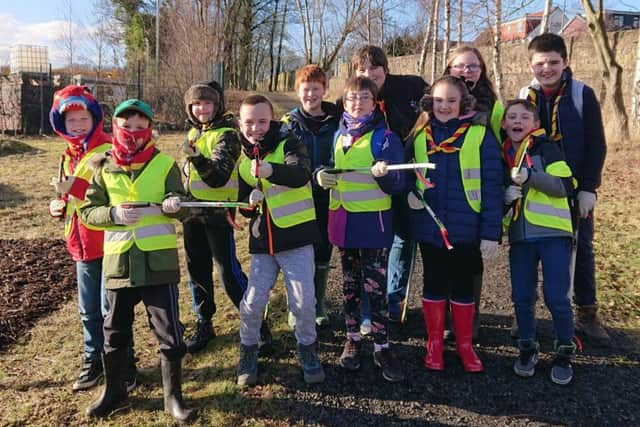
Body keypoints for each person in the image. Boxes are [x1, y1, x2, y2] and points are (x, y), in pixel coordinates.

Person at [80, 99, 194, 422]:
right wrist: (114, 213)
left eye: (140, 126)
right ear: (116, 128)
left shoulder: (164, 165)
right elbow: (88, 212)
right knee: (114, 332)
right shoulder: (102, 168)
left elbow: (185, 205)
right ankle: (114, 392)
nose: (133, 132)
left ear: (150, 129)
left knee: (169, 332)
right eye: (126, 126)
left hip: (158, 264)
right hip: (119, 267)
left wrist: (176, 203)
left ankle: (173, 398)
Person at [404, 75, 503, 373]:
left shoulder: (479, 135)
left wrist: (490, 233)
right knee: (433, 282)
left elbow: (493, 184)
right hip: (430, 227)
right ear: (428, 103)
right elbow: (405, 173)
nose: (444, 106)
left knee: (462, 287)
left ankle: (464, 344)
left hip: (467, 228)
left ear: (463, 103)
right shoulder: (420, 136)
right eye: (438, 101)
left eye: (451, 101)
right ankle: (434, 342)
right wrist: (410, 193)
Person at [519, 33, 609, 346]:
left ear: (565, 62)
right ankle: (526, 316)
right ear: (530, 64)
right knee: (529, 250)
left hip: (573, 189)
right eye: (539, 63)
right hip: (535, 187)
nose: (546, 69)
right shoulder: (525, 94)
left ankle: (586, 311)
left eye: (553, 62)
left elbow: (597, 144)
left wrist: (589, 188)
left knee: (581, 247)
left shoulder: (582, 94)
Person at [316, 76, 405, 382]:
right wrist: (320, 175)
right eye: (352, 98)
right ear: (344, 102)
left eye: (364, 98)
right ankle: (352, 339)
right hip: (343, 224)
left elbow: (398, 184)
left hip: (373, 227)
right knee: (350, 287)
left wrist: (384, 175)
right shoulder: (339, 134)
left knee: (375, 291)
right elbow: (330, 165)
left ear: (375, 102)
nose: (357, 103)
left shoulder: (385, 138)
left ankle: (382, 345)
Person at [48, 85, 136, 392]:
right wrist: (57, 207)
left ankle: (123, 362)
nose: (78, 125)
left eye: (83, 118)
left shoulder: (109, 149)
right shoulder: (67, 155)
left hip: (109, 241)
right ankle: (93, 359)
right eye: (71, 121)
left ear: (95, 117)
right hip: (80, 244)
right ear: (61, 125)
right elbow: (69, 195)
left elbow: (116, 193)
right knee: (87, 310)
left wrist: (72, 189)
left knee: (112, 309)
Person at [235, 95, 325, 387]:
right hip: (263, 245)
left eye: (262, 121)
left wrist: (271, 171)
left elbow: (301, 175)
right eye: (249, 122)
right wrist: (248, 203)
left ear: (272, 119)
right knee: (251, 304)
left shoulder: (290, 142)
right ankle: (248, 351)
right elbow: (242, 205)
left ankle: (307, 350)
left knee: (303, 303)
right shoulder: (242, 158)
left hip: (297, 239)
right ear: (240, 123)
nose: (256, 128)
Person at [337, 45, 429, 327]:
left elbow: (440, 98)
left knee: (403, 239)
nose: (368, 73)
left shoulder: (409, 86)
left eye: (373, 68)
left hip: (403, 175)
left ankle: (393, 298)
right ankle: (368, 308)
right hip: (369, 183)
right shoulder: (354, 96)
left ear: (385, 69)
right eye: (361, 69)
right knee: (373, 247)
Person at [181, 81, 271, 353]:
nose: (202, 109)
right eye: (196, 104)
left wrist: (196, 158)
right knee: (196, 272)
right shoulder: (193, 133)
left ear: (217, 105)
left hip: (218, 213)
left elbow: (219, 177)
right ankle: (204, 322)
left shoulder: (228, 134)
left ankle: (259, 326)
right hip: (192, 214)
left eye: (207, 103)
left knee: (228, 274)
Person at [502, 99, 579, 385]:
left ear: (535, 125)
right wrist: (504, 198)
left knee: (556, 296)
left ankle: (564, 349)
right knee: (522, 295)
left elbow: (565, 186)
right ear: (504, 124)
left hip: (552, 234)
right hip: (521, 238)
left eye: (524, 117)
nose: (517, 121)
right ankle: (527, 346)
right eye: (512, 117)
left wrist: (531, 177)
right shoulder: (504, 155)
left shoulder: (547, 148)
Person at [444, 46, 506, 339]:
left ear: (482, 70)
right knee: (441, 257)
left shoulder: (493, 106)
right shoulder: (439, 98)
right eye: (459, 66)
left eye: (472, 66)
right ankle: (444, 318)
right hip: (442, 189)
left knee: (470, 261)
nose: (466, 72)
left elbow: (497, 149)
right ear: (449, 70)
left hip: (475, 191)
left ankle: (469, 319)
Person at [282, 65, 339, 328]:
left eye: (316, 89)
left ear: (324, 90)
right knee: (298, 253)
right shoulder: (287, 124)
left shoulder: (337, 119)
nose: (311, 94)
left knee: (323, 252)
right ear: (297, 91)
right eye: (306, 89)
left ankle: (318, 302)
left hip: (328, 196)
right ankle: (296, 306)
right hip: (298, 197)